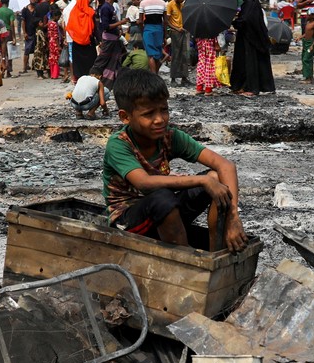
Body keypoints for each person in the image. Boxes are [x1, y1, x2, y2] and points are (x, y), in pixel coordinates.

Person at [102, 70, 248, 252]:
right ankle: (187, 259)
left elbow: (225, 165)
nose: (159, 119)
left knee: (217, 179)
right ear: (125, 116)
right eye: (149, 114)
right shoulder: (119, 144)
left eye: (164, 110)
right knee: (164, 197)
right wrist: (202, 180)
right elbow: (144, 183)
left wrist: (233, 216)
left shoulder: (170, 136)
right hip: (129, 221)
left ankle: (215, 253)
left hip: (166, 213)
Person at [230, 0, 275, 97]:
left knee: (251, 63)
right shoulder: (251, 4)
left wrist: (235, 22)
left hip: (251, 39)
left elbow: (246, 20)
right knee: (244, 62)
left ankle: (252, 88)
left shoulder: (250, 4)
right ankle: (242, 86)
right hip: (248, 38)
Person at [66, 0, 97, 82]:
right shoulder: (90, 12)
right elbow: (94, 28)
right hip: (89, 42)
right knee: (90, 62)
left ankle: (79, 80)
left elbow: (70, 27)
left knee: (79, 63)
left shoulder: (73, 12)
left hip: (77, 42)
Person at [139, 0, 167, 73]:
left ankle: (153, 76)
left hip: (148, 29)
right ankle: (156, 75)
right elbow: (165, 21)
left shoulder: (143, 3)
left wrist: (143, 31)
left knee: (150, 55)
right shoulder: (163, 3)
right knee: (158, 54)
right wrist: (165, 35)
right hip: (159, 29)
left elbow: (140, 21)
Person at [166, 0, 190, 87]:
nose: (182, 0)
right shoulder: (170, 5)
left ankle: (184, 78)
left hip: (183, 31)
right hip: (175, 33)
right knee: (176, 55)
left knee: (185, 55)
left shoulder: (182, 5)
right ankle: (173, 78)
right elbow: (166, 21)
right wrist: (176, 28)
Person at [0, 0, 16, 77]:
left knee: (1, 52)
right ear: (8, 3)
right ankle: (8, 71)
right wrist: (14, 37)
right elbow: (12, 24)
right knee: (9, 52)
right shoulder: (10, 12)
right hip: (7, 32)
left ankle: (1, 71)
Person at [301, 7, 314, 84]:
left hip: (310, 43)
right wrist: (300, 37)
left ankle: (308, 78)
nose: (307, 16)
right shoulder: (308, 23)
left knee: (306, 59)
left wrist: (312, 45)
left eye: (308, 15)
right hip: (305, 42)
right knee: (306, 58)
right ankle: (310, 76)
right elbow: (306, 33)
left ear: (313, 16)